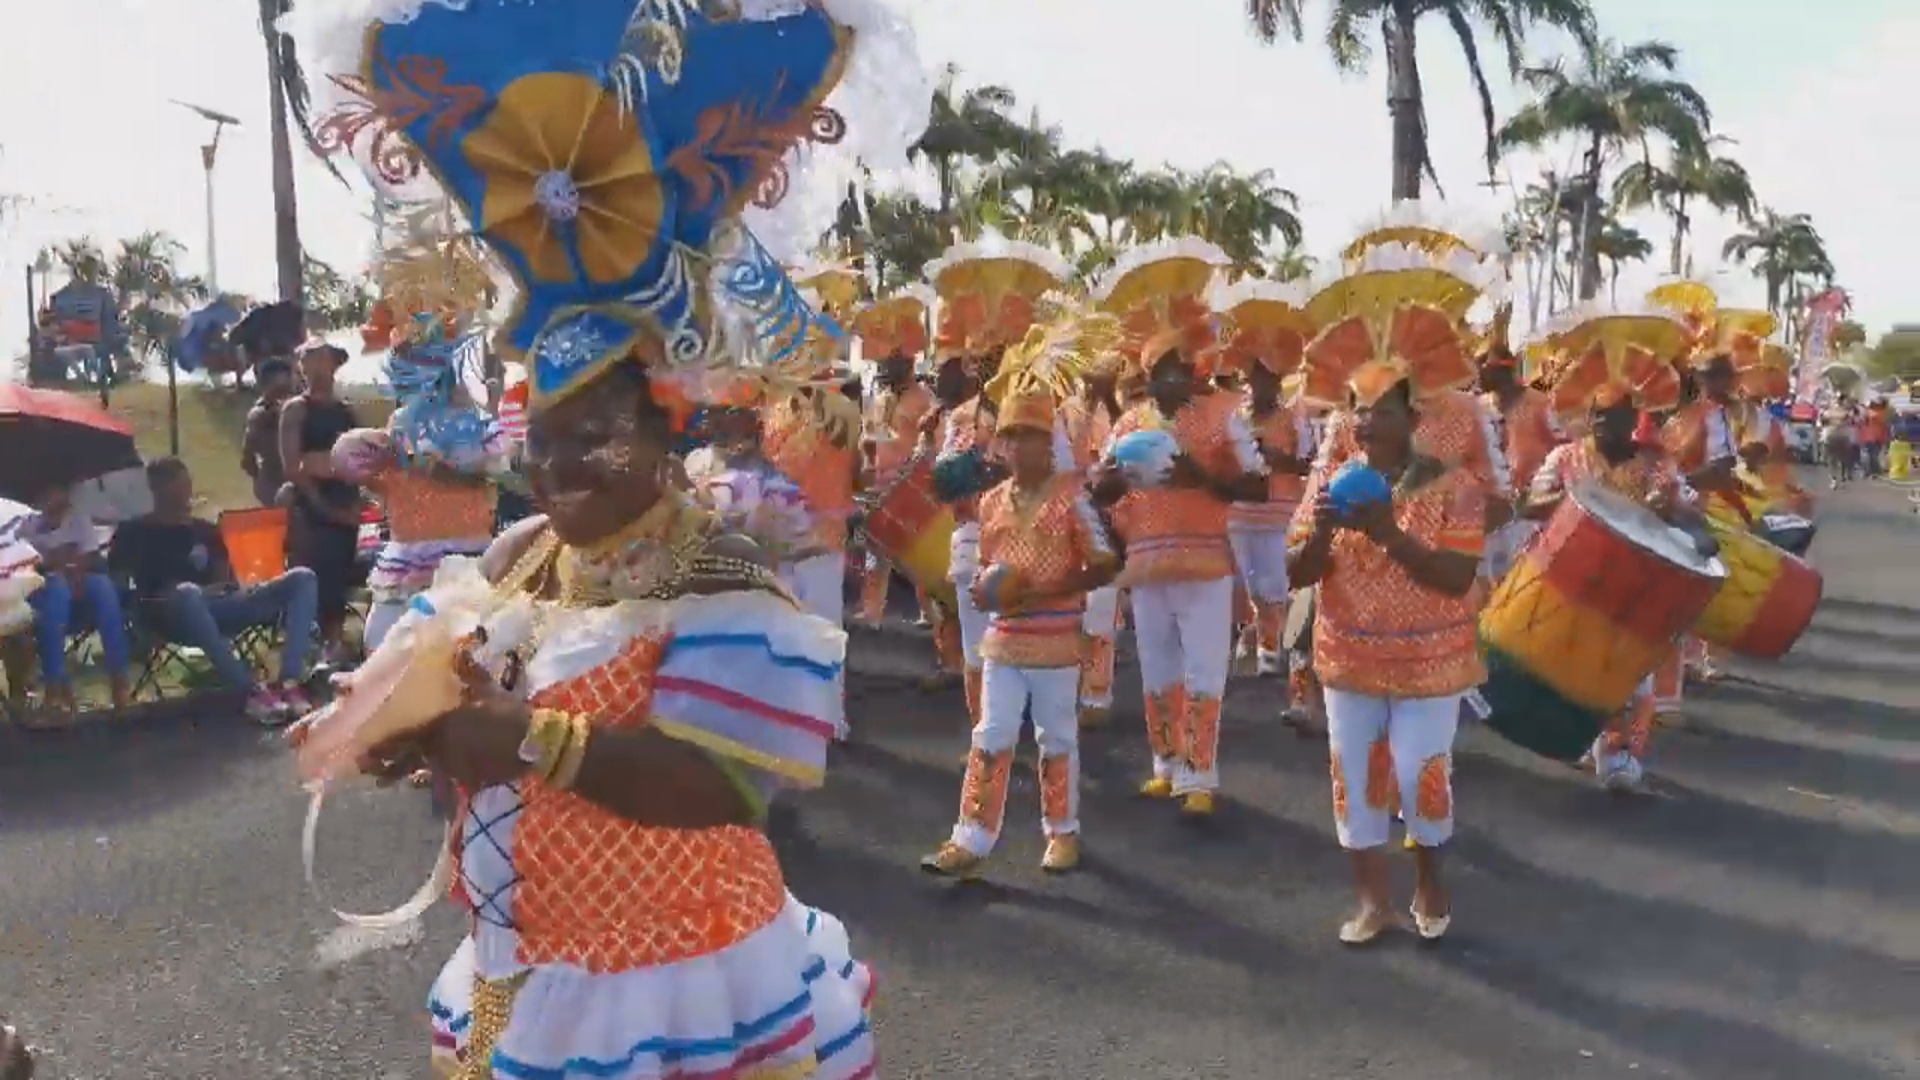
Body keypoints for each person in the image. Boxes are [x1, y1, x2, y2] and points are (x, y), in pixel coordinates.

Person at [281, 0, 906, 1071]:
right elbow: (438, 673)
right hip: (516, 968)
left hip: (669, 978)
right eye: (547, 438)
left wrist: (527, 740)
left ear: (668, 433)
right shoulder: (515, 555)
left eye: (596, 439)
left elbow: (728, 782)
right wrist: (396, 726)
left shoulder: (720, 570)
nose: (561, 466)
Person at [1284, 242, 1494, 946]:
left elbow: (1456, 577)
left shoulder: (1456, 486)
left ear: (1414, 414)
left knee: (1418, 776)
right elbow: (1296, 572)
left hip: (1432, 660)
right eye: (1355, 409)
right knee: (1353, 777)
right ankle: (1372, 899)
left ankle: (1431, 876)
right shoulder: (1332, 475)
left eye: (1378, 410)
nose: (1364, 423)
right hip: (1347, 655)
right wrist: (1322, 533)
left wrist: (1386, 532)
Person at [921, 326, 1119, 878]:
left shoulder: (1071, 498)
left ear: (1046, 440)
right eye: (1008, 437)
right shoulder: (989, 503)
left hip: (1056, 640)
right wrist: (991, 586)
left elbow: (1106, 563)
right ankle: (971, 838)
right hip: (1005, 638)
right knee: (992, 734)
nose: (1015, 447)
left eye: (1028, 435)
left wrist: (1044, 591)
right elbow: (989, 564)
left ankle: (1062, 834)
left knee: (1056, 736)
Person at [1093, 289, 1269, 817]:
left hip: (1205, 565)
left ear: (1193, 369)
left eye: (1177, 368)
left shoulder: (1222, 414)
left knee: (1204, 671)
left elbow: (1258, 486)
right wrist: (1108, 481)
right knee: (1157, 670)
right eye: (1157, 370)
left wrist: (1203, 477)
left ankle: (1199, 776)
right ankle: (1166, 766)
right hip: (1145, 567)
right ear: (1145, 376)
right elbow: (1098, 490)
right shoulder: (1128, 425)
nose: (1168, 379)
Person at [1524, 321, 1698, 791]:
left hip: (1634, 589)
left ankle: (1624, 756)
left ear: (1634, 417)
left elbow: (1691, 513)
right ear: (1589, 415)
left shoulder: (1655, 466)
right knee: (1577, 673)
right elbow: (1529, 505)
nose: (1607, 423)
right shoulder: (1564, 460)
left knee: (1634, 682)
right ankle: (1594, 742)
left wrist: (1670, 507)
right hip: (1572, 584)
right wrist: (1573, 499)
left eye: (1619, 415)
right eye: (1600, 414)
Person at [110, 458, 317, 723]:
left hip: (219, 604)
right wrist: (136, 617)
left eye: (186, 484)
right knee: (187, 593)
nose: (187, 492)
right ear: (157, 491)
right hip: (169, 614)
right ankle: (249, 692)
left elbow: (224, 580)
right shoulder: (133, 531)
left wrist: (232, 589)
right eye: (179, 486)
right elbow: (117, 582)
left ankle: (288, 682)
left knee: (303, 578)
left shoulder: (203, 530)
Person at [1226, 341, 1313, 678]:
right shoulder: (1234, 419)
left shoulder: (1293, 418)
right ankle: (1254, 643)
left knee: (1274, 585)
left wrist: (1281, 461)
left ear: (1278, 383)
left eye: (1270, 380)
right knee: (1247, 587)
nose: (1263, 386)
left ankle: (1270, 652)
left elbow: (1308, 463)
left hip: (1279, 517)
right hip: (1240, 516)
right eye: (1257, 378)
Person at [278, 342, 363, 665]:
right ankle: (320, 646)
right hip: (310, 506)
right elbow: (293, 466)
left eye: (321, 359)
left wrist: (326, 465)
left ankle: (336, 643)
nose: (314, 367)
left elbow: (361, 460)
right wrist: (323, 504)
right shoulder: (296, 409)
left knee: (341, 571)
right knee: (320, 567)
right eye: (307, 360)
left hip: (345, 502)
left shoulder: (346, 412)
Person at [20, 482, 130, 713]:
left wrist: (74, 568)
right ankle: (55, 684)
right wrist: (56, 567)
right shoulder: (26, 527)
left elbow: (90, 559)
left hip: (79, 593)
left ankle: (119, 678)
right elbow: (27, 569)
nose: (56, 499)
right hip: (41, 600)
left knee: (102, 586)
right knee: (57, 587)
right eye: (49, 495)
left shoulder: (78, 520)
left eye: (60, 492)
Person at [1059, 357, 1126, 726]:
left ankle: (1097, 694)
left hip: (1105, 517)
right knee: (1071, 608)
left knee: (1101, 610)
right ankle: (1072, 687)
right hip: (1066, 516)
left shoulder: (1118, 410)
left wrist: (1109, 401)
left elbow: (1122, 452)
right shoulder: (1063, 410)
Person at [858, 346, 936, 627]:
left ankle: (929, 612)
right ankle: (871, 612)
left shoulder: (924, 399)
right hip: (881, 486)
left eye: (893, 361)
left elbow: (931, 444)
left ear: (909, 363)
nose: (886, 366)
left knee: (914, 554)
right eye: (885, 361)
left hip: (911, 485)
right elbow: (868, 438)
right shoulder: (879, 400)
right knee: (876, 551)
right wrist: (867, 464)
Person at [240, 358, 297, 508]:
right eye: (286, 378)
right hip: (273, 483)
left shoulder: (297, 407)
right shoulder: (261, 415)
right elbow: (247, 460)